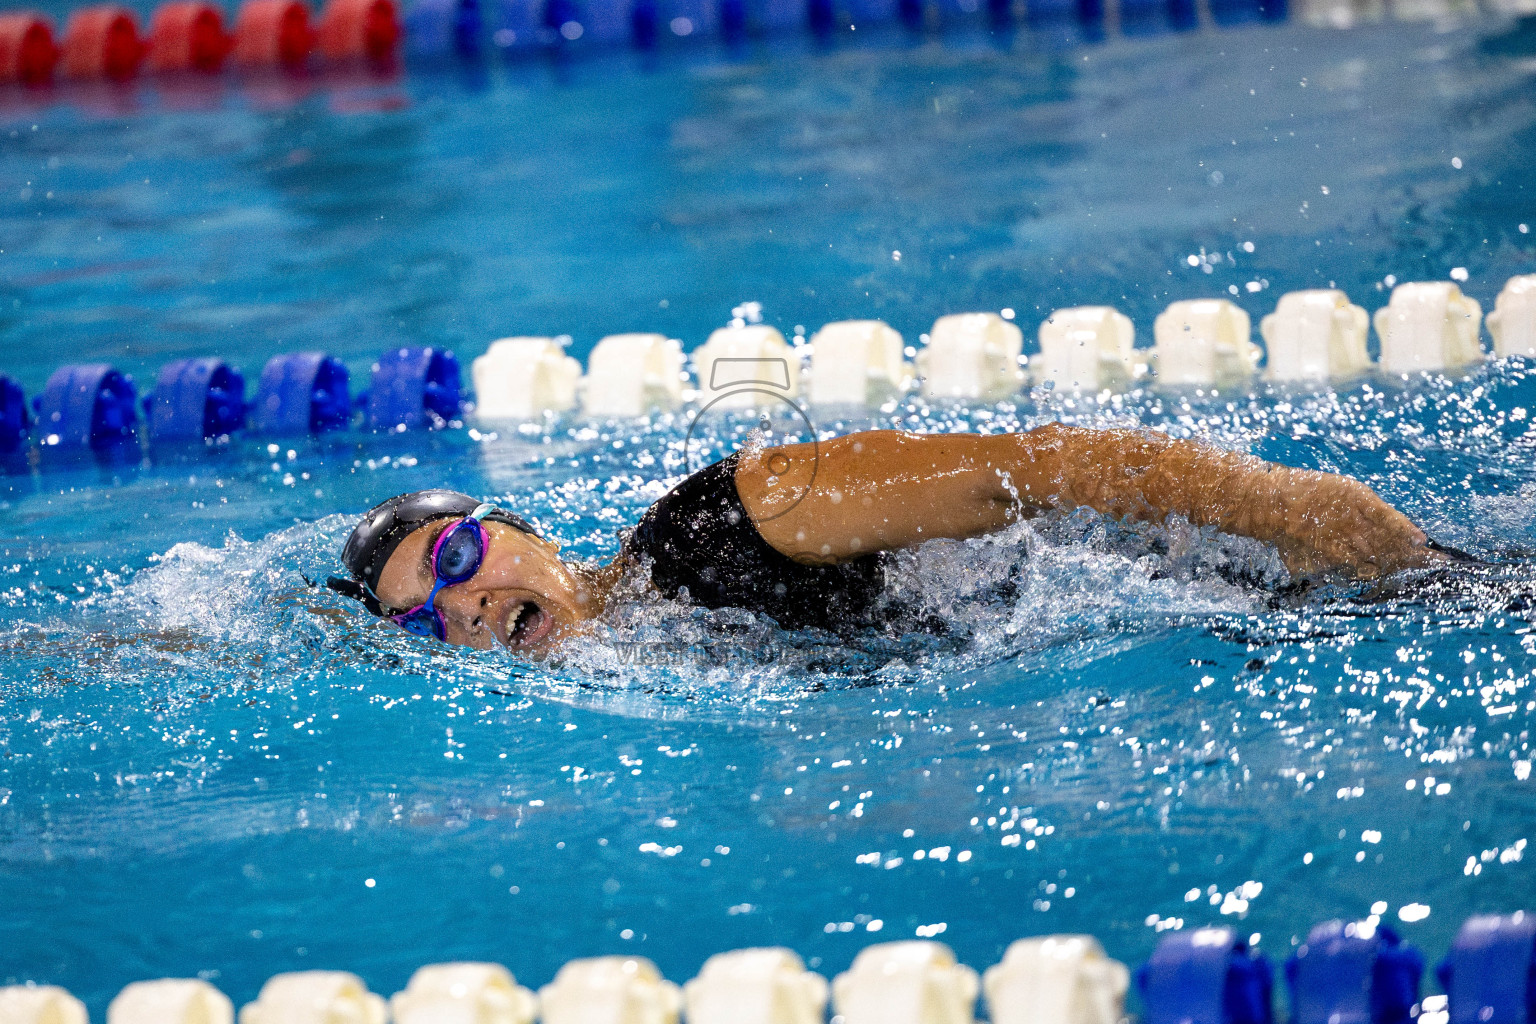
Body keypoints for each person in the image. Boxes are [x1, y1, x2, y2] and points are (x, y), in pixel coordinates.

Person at [325, 424, 1455, 653]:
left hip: (1235, 577)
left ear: (522, 531)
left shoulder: (740, 511)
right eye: (428, 617)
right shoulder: (641, 659)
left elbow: (1046, 467)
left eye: (459, 562)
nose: (461, 606)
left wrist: (1317, 521)